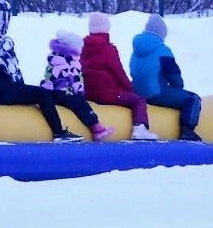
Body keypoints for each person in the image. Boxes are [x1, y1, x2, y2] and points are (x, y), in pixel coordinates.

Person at [0, 0, 83, 143]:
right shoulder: (4, 42)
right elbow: (13, 72)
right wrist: (22, 90)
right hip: (0, 92)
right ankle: (58, 132)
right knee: (42, 94)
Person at [81, 12, 159, 140]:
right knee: (138, 100)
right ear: (106, 28)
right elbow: (119, 73)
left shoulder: (83, 48)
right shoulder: (108, 49)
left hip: (89, 93)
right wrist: (130, 90)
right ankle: (140, 128)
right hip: (108, 93)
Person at [129, 14, 203, 142]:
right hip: (155, 93)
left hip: (136, 92)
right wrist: (175, 90)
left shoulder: (135, 51)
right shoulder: (163, 50)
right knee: (193, 99)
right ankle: (187, 131)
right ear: (162, 34)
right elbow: (176, 80)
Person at [39, 29, 116, 142]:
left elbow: (50, 77)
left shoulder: (55, 57)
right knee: (79, 103)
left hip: (49, 91)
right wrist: (80, 93)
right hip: (61, 92)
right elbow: (75, 82)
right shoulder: (70, 61)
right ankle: (96, 127)